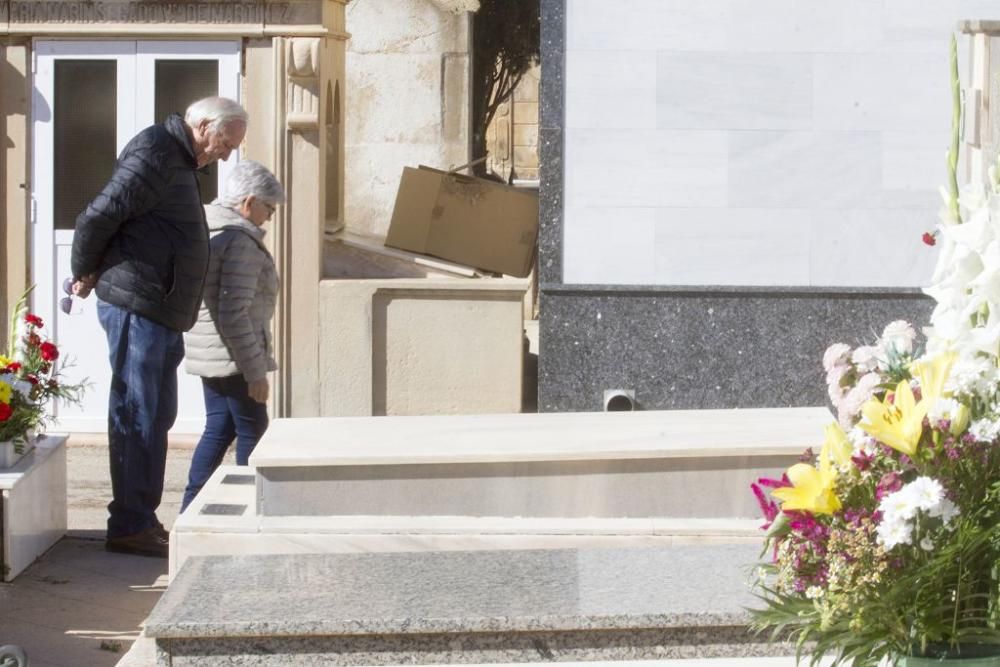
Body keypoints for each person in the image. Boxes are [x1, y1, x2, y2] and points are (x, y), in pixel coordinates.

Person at [71, 97, 249, 558]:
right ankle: (131, 523)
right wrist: (84, 271)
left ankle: (139, 520)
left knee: (154, 415)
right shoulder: (155, 151)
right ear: (204, 125)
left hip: (158, 309)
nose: (227, 155)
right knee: (139, 415)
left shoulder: (178, 159)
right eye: (225, 143)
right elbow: (97, 215)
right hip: (139, 304)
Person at [180, 161, 283, 512]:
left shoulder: (209, 228)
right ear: (249, 202)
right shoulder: (239, 241)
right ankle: (249, 510)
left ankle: (191, 510)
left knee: (220, 428)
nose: (268, 217)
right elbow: (234, 312)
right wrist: (255, 371)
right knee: (254, 431)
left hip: (213, 351)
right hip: (234, 355)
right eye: (268, 208)